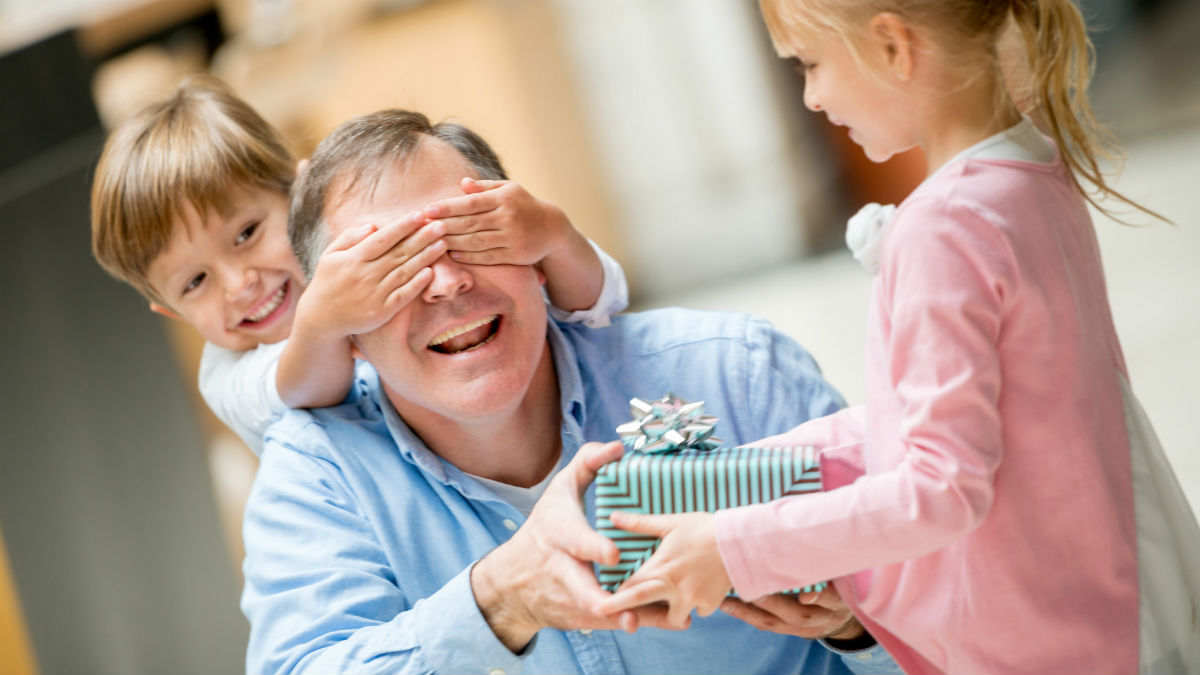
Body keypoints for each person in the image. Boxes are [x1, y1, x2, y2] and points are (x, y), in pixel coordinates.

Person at [599, 1, 1200, 674]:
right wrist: (750, 477)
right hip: (1119, 586)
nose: (813, 97)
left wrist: (733, 547)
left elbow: (942, 487)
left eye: (811, 64)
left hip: (1051, 641)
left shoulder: (944, 228)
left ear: (892, 45)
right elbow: (996, 422)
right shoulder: (1028, 172)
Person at [240, 108, 903, 674]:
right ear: (345, 333)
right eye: (391, 268)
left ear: (532, 249)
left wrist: (862, 623)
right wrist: (501, 598)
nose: (445, 283)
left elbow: (961, 621)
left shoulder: (737, 373)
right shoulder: (315, 478)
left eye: (471, 236)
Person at [90, 74, 627, 454]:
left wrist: (554, 237)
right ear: (172, 313)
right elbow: (309, 390)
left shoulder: (387, 248)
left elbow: (601, 305)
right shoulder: (229, 375)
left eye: (247, 234)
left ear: (301, 199)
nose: (238, 284)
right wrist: (325, 322)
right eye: (195, 282)